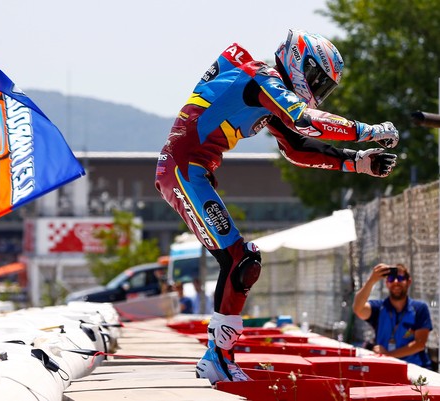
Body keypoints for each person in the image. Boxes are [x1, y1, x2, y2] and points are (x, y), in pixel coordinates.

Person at [154, 29, 399, 385]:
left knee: (243, 259)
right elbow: (305, 121)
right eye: (317, 80)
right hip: (183, 170)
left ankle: (218, 357)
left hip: (192, 171)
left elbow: (297, 148)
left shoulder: (267, 93)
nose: (317, 90)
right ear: (299, 63)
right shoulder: (261, 77)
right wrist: (367, 130)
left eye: (323, 86)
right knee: (241, 260)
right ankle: (218, 358)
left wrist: (358, 162)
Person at [352, 263, 433, 368]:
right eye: (391, 279)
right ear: (386, 283)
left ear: (409, 282)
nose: (396, 282)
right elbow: (358, 308)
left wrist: (389, 355)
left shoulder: (419, 308)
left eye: (400, 278)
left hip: (415, 369)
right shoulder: (379, 307)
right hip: (386, 367)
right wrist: (371, 280)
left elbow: (420, 344)